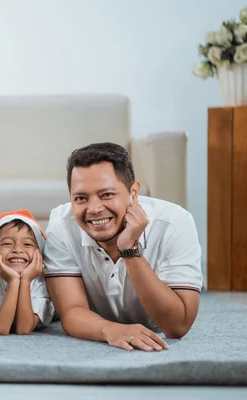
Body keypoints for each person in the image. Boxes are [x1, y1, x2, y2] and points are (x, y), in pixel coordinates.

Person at [43, 142, 203, 351]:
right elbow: (72, 311)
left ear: (133, 193)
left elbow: (177, 326)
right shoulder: (62, 224)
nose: (94, 209)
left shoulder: (175, 224)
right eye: (81, 198)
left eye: (107, 195)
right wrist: (110, 330)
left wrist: (130, 250)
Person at [0, 210, 54, 335]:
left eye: (27, 244)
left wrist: (25, 281)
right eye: (7, 243)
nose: (17, 250)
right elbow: (1, 328)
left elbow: (24, 329)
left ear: (39, 254)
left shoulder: (42, 282)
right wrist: (13, 281)